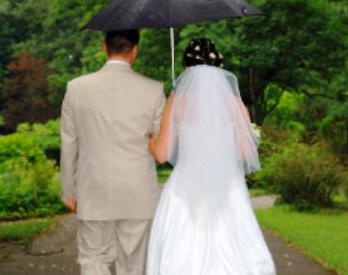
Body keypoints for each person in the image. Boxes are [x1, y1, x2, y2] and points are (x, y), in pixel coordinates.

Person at [146, 38, 277, 275]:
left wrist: (150, 141)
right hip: (228, 187)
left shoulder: (178, 100)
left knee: (182, 253)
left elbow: (162, 153)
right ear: (219, 69)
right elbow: (247, 152)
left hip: (185, 189)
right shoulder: (234, 103)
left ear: (186, 68)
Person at [60, 30, 166, 275]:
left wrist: (69, 190)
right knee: (133, 264)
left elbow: (69, 143)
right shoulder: (153, 89)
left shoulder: (76, 88)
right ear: (135, 50)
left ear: (104, 47)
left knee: (93, 258)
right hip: (137, 191)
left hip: (93, 188)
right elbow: (160, 144)